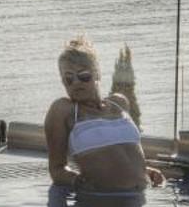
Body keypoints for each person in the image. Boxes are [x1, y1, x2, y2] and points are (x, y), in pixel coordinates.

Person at [44, 36, 164, 193]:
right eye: (69, 78)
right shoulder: (63, 110)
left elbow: (120, 153)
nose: (76, 82)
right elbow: (56, 170)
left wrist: (146, 170)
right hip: (101, 202)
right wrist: (79, 182)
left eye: (84, 76)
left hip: (140, 198)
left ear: (97, 74)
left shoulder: (119, 103)